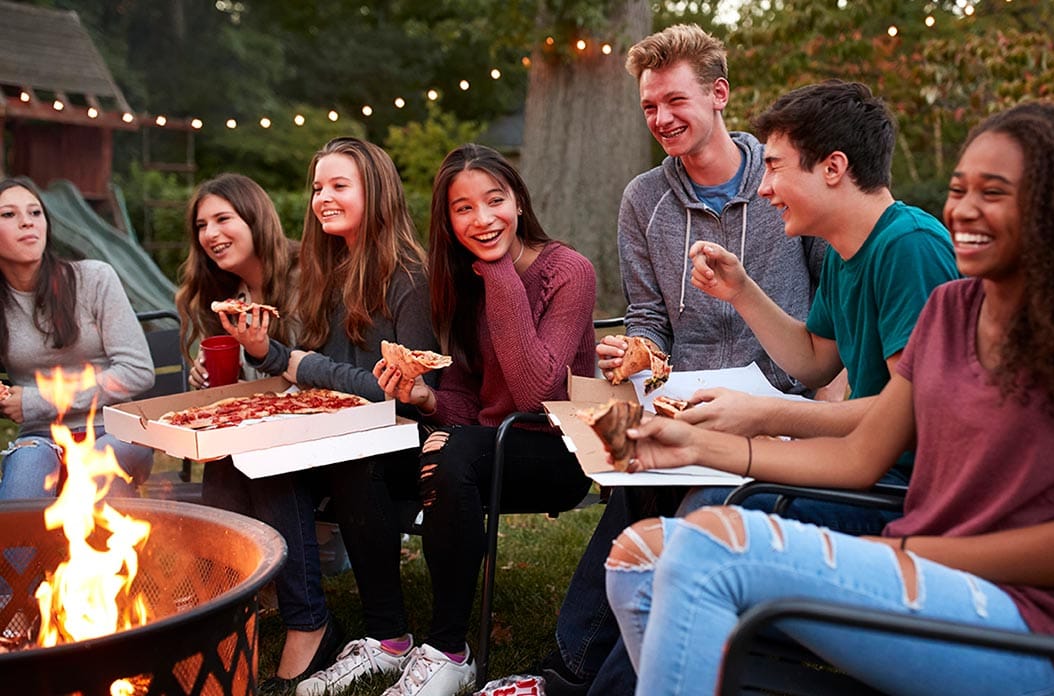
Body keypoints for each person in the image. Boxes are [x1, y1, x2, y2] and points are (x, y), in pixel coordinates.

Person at [605, 101, 1054, 696]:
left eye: (993, 192)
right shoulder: (952, 312)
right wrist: (694, 444)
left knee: (707, 548)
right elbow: (859, 457)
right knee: (637, 564)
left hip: (1028, 630)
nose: (962, 208)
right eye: (959, 189)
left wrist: (904, 551)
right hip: (916, 573)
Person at [541, 25, 829, 696]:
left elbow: (827, 312)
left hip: (778, 404)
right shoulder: (645, 199)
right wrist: (640, 350)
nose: (662, 119)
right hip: (683, 398)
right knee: (632, 482)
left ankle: (591, 675)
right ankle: (574, 664)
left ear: (718, 95)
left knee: (690, 517)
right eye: (649, 107)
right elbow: (649, 321)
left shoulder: (784, 182)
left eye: (675, 101)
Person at [669, 80, 959, 521]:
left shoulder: (908, 247)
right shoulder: (848, 251)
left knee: (717, 506)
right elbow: (813, 360)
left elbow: (913, 415)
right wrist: (741, 291)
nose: (763, 188)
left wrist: (768, 416)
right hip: (866, 468)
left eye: (775, 167)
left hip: (909, 492)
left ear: (832, 167)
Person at [374, 143, 596, 696]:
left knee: (453, 451)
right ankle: (384, 638)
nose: (482, 218)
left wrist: (499, 271)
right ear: (447, 221)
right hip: (479, 446)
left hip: (558, 449)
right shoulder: (463, 283)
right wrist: (425, 399)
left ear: (518, 201)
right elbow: (468, 404)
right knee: (368, 456)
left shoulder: (568, 271)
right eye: (463, 208)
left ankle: (450, 650)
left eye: (494, 200)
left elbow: (539, 392)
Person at [221, 138, 437, 696]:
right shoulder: (329, 268)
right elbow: (311, 371)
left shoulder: (411, 276)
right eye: (318, 187)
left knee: (350, 464)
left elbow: (405, 390)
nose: (323, 198)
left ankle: (389, 636)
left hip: (402, 444)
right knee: (237, 462)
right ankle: (298, 619)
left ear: (376, 192)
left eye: (339, 186)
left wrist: (302, 363)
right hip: (337, 432)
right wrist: (263, 348)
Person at [175, 173, 336, 691]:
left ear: (254, 216)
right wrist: (205, 376)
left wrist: (265, 355)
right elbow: (234, 387)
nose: (211, 233)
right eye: (202, 224)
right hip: (263, 431)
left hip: (331, 429)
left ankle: (307, 621)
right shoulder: (224, 296)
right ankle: (225, 610)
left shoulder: (308, 272)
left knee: (257, 458)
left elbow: (326, 367)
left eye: (224, 218)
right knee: (225, 463)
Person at [0, 176, 154, 500]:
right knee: (18, 499)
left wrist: (37, 401)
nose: (27, 221)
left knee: (95, 471)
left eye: (35, 212)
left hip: (115, 428)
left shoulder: (94, 278)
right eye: (8, 215)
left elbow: (137, 371)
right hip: (41, 436)